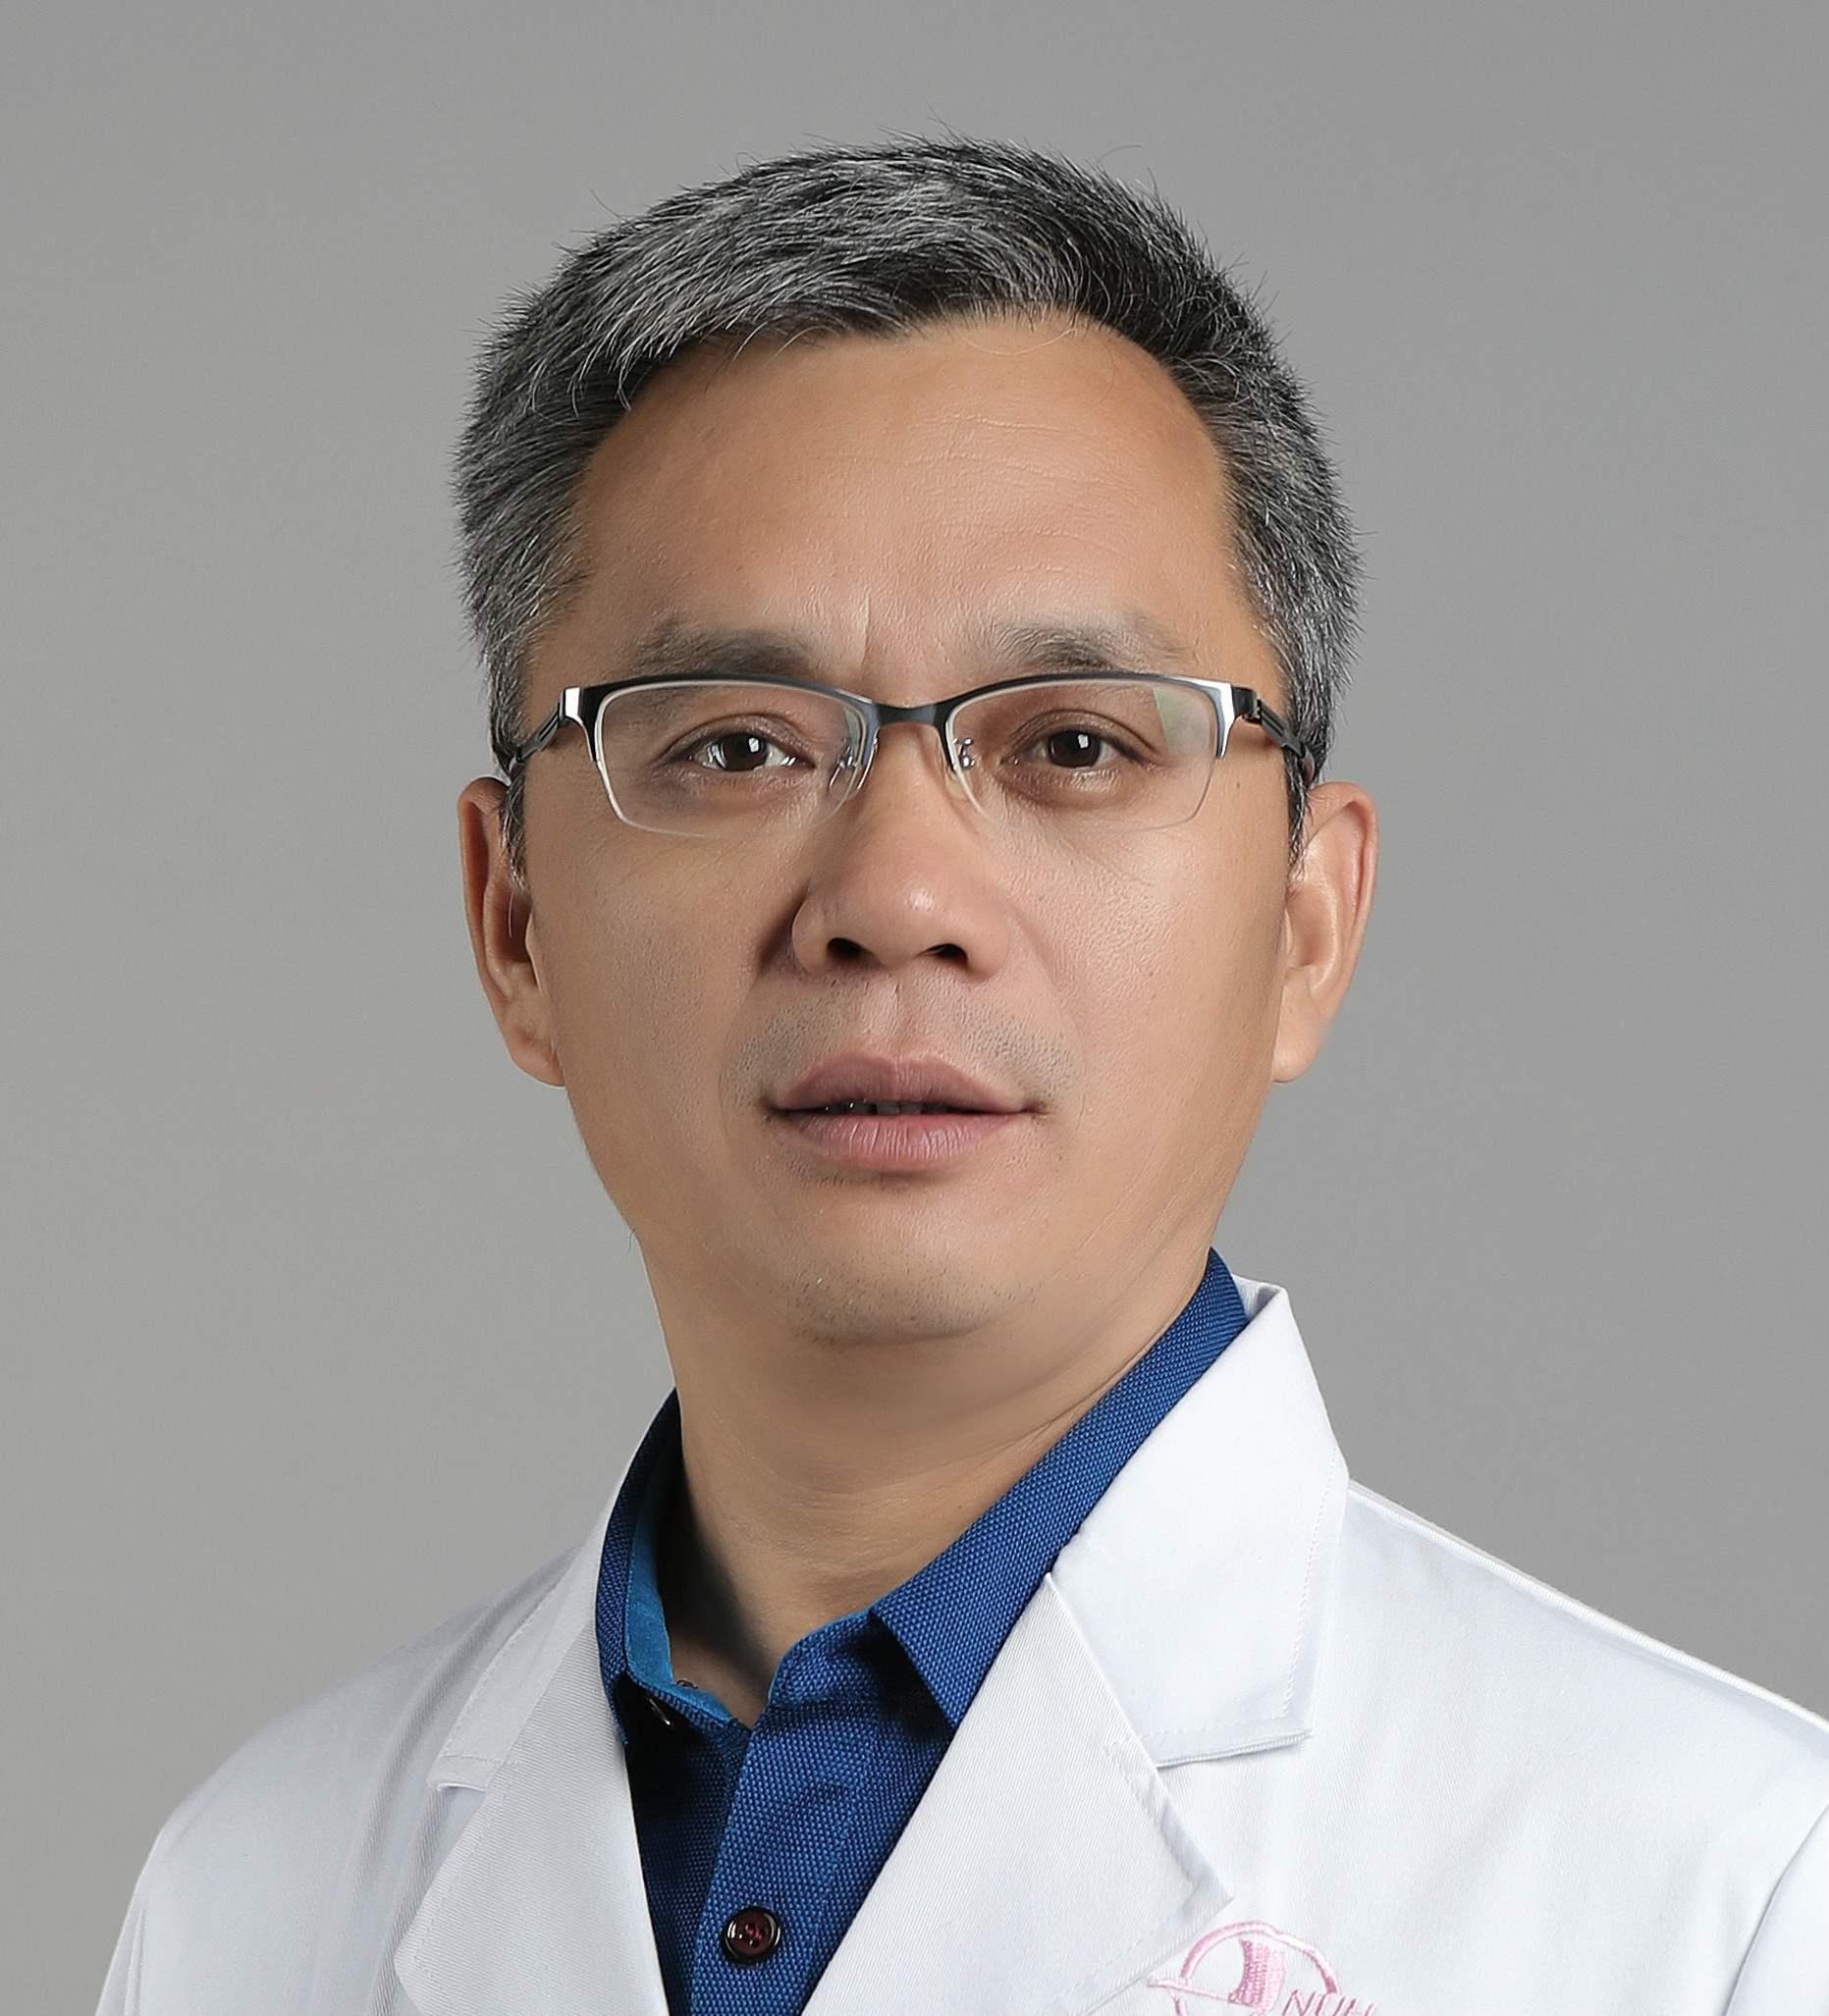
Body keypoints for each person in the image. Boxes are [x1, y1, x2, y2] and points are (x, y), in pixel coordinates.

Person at [98, 138, 1827, 2016]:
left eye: (1075, 743)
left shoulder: (1728, 1894)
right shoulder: (253, 1896)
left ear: (1305, 925)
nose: (896, 898)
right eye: (738, 746)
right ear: (514, 922)